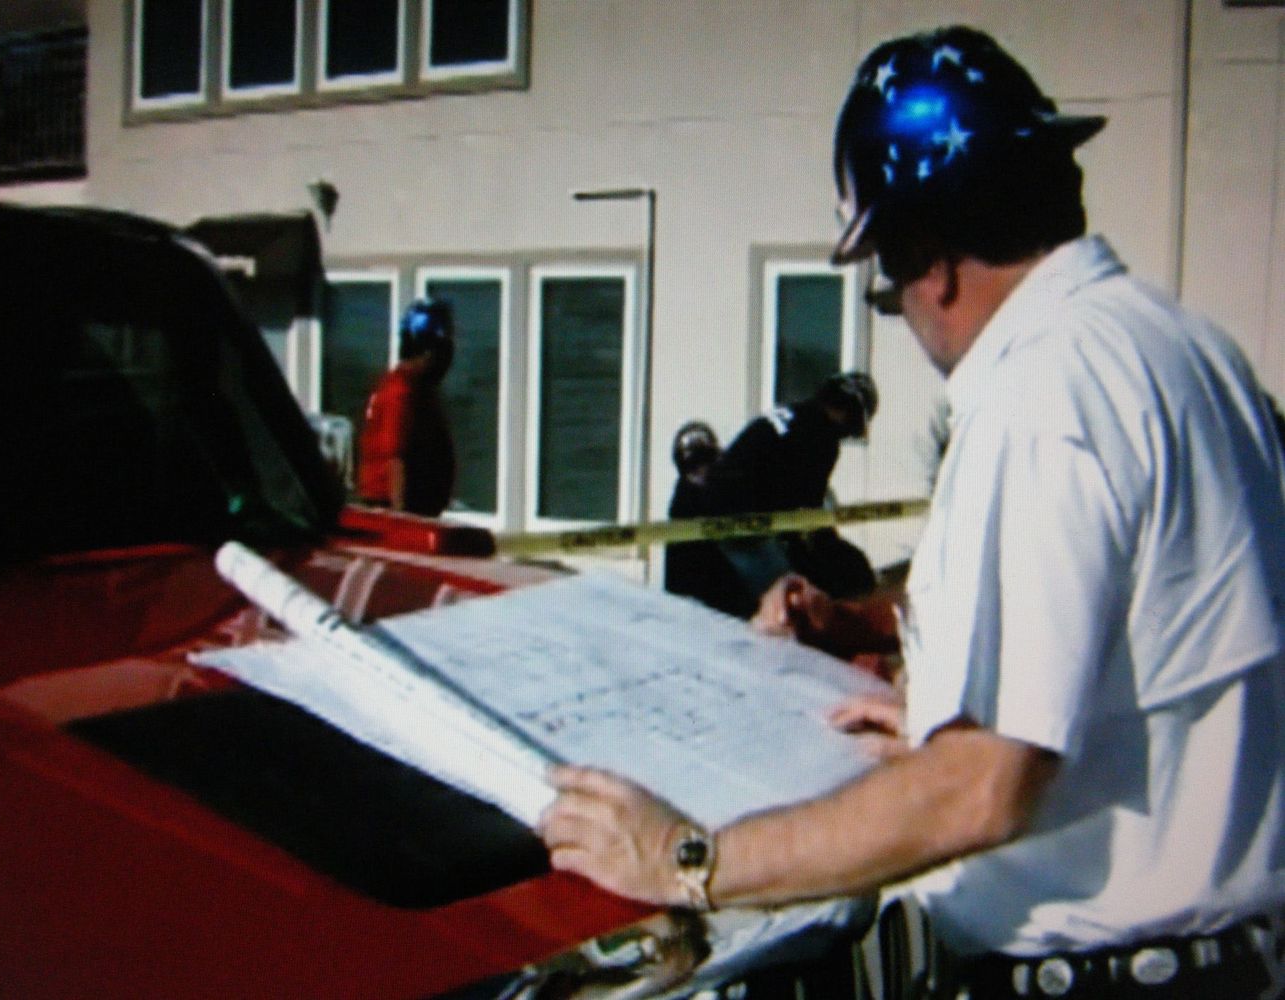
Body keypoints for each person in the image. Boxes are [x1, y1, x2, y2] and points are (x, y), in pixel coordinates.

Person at [538, 25, 1285, 998]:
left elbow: (981, 789)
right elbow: (1160, 643)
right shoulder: (1192, 352)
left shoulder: (1034, 394)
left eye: (887, 281)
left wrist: (686, 859)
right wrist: (927, 698)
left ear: (927, 258)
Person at [697, 371, 879, 607]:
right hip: (741, 521)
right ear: (849, 415)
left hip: (714, 507)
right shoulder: (821, 439)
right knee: (789, 600)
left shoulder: (797, 413)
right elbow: (807, 513)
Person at [355, 298, 456, 516]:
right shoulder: (401, 392)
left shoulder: (417, 390)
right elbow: (395, 459)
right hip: (395, 509)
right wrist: (401, 519)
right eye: (445, 349)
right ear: (429, 352)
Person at [663, 420, 762, 618]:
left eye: (708, 461)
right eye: (694, 466)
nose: (703, 470)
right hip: (703, 606)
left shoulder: (724, 490)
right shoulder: (685, 505)